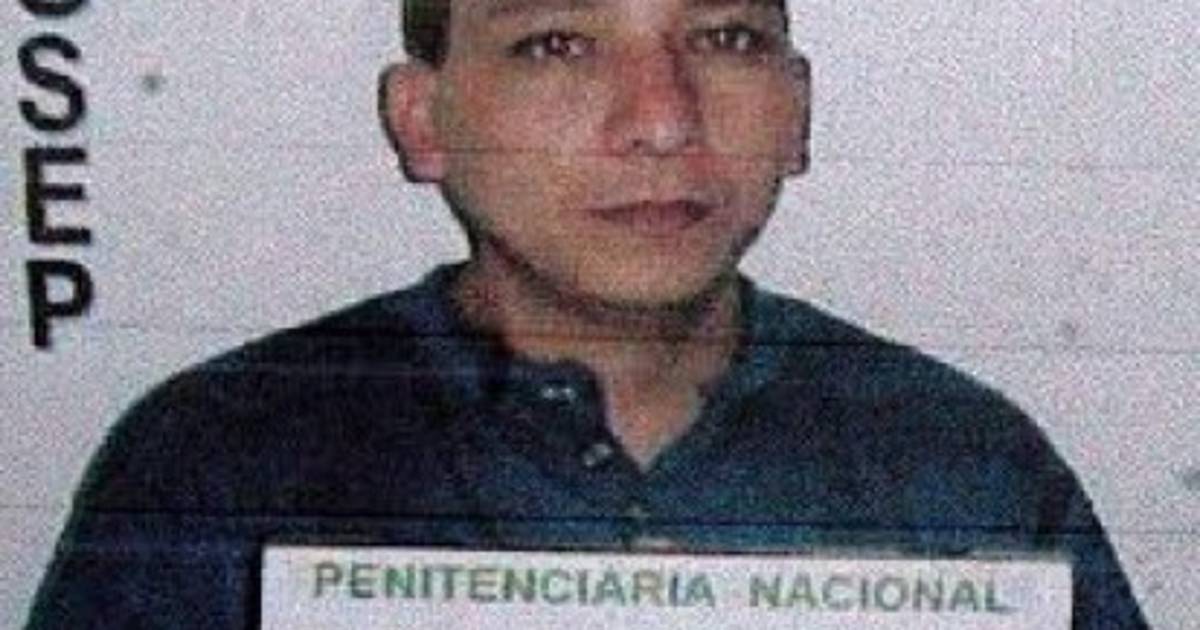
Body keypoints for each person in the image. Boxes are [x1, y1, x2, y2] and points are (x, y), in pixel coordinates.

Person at [27, 0, 1147, 627]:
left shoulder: (964, 467)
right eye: (557, 43)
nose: (661, 119)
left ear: (799, 110)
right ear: (423, 121)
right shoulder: (221, 462)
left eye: (725, 39)